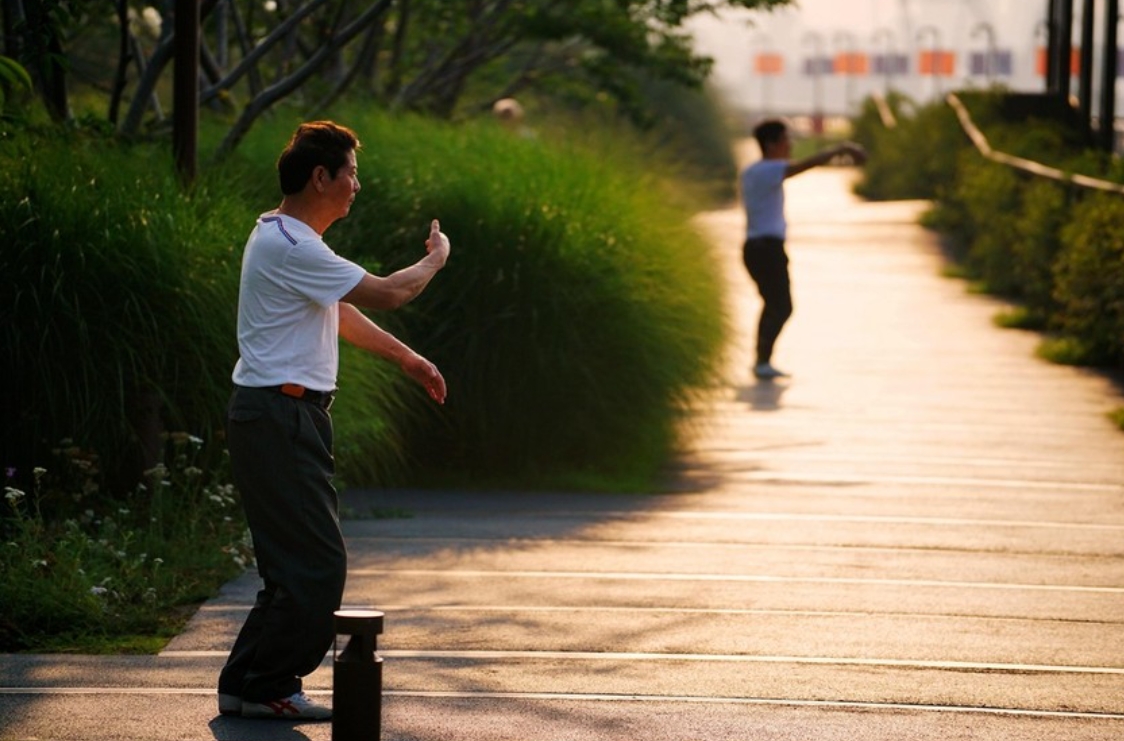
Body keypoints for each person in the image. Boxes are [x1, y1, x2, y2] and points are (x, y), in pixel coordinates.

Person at [217, 121, 450, 720]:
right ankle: (270, 683)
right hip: (281, 415)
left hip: (278, 414)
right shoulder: (290, 244)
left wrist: (406, 357)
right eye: (349, 172)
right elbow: (392, 292)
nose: (356, 184)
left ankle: (248, 683)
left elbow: (339, 311)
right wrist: (437, 260)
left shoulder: (289, 240)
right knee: (317, 564)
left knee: (289, 565)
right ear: (320, 177)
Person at [739, 118, 865, 380]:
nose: (790, 144)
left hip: (754, 248)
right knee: (781, 306)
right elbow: (804, 166)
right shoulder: (768, 170)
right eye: (786, 139)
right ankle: (762, 361)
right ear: (772, 144)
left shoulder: (751, 171)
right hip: (767, 248)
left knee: (773, 304)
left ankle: (761, 359)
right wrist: (840, 148)